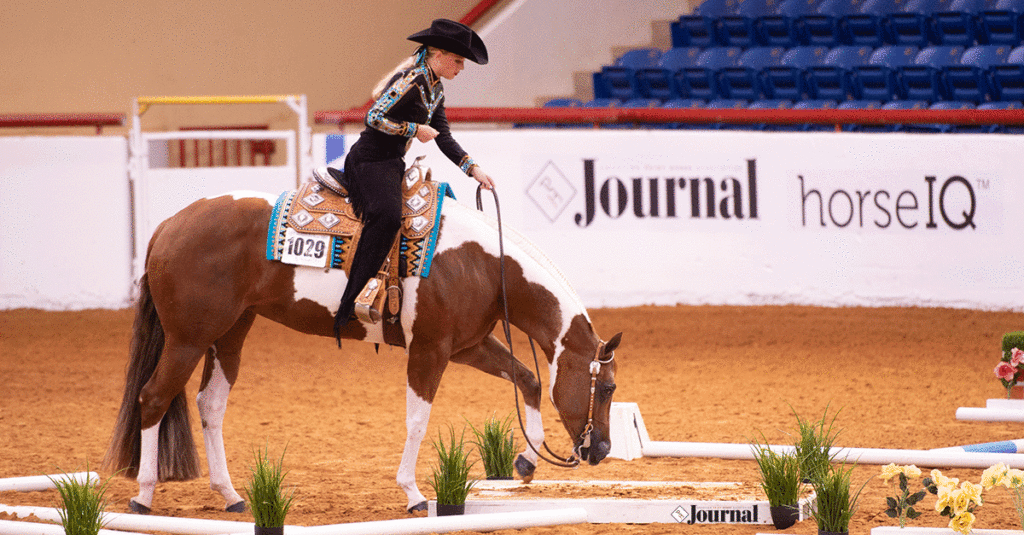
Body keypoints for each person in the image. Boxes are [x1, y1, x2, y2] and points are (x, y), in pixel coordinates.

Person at [314, 18, 495, 339]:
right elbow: (373, 117)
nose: (461, 68)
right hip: (369, 161)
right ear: (438, 55)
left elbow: (444, 137)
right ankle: (350, 302)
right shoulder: (411, 80)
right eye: (457, 61)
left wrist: (473, 169)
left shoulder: (434, 89)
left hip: (390, 163)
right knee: (386, 218)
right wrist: (414, 129)